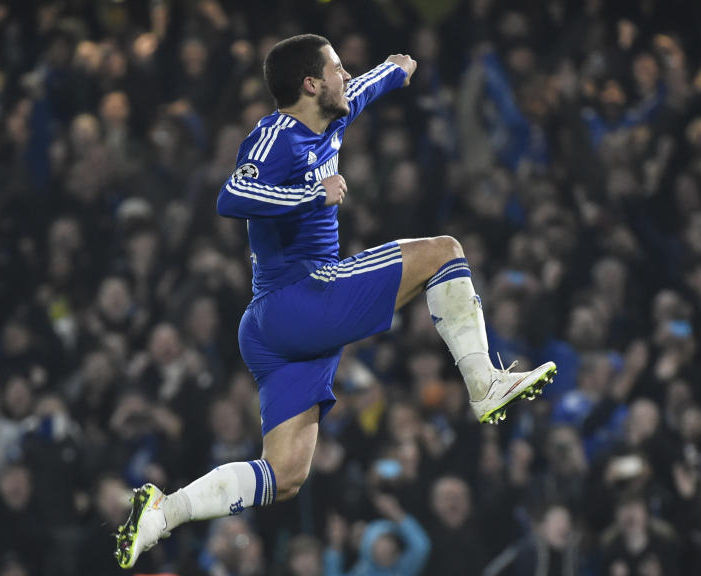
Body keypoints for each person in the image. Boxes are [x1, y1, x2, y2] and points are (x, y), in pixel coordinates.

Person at [115, 34, 556, 568]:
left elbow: (363, 89)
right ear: (310, 83)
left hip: (276, 331)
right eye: (337, 69)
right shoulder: (274, 136)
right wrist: (310, 194)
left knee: (284, 475)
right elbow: (230, 195)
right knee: (444, 252)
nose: (346, 76)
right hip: (298, 297)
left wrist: (395, 69)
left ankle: (163, 514)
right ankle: (484, 383)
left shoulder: (331, 116)